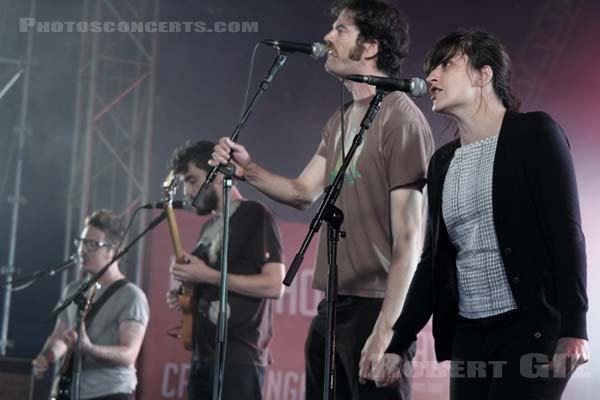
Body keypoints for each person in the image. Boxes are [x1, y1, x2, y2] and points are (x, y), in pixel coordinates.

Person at [210, 1, 433, 398]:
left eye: (340, 29)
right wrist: (248, 170)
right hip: (332, 309)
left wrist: (388, 330)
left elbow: (410, 238)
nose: (327, 37)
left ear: (369, 47)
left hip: (375, 306)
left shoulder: (403, 120)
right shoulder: (341, 119)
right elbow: (302, 192)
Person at [376, 29, 589, 399]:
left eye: (445, 65)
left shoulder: (535, 134)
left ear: (483, 75)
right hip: (470, 337)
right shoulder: (442, 162)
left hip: (532, 331)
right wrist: (398, 343)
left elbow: (566, 234)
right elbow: (432, 262)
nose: (430, 78)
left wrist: (575, 327)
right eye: (430, 69)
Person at [166, 140, 285, 400]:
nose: (187, 192)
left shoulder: (255, 214)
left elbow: (274, 286)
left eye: (192, 180)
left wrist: (205, 275)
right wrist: (188, 293)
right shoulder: (207, 228)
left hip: (239, 357)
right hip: (203, 355)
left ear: (218, 175)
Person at [32, 209, 149, 400]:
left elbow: (129, 353)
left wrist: (89, 348)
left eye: (92, 245)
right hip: (69, 391)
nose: (82, 250)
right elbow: (60, 337)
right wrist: (47, 357)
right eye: (82, 243)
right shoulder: (73, 290)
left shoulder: (131, 296)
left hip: (109, 393)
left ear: (113, 251)